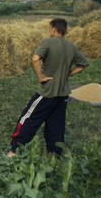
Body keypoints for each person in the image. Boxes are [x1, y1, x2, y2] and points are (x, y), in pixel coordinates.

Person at [8, 18, 89, 157]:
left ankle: (14, 150)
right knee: (56, 123)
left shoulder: (48, 42)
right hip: (63, 93)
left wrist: (41, 77)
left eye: (49, 28)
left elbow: (35, 59)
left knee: (28, 118)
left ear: (53, 29)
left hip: (47, 91)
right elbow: (83, 64)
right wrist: (66, 74)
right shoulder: (71, 46)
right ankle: (55, 153)